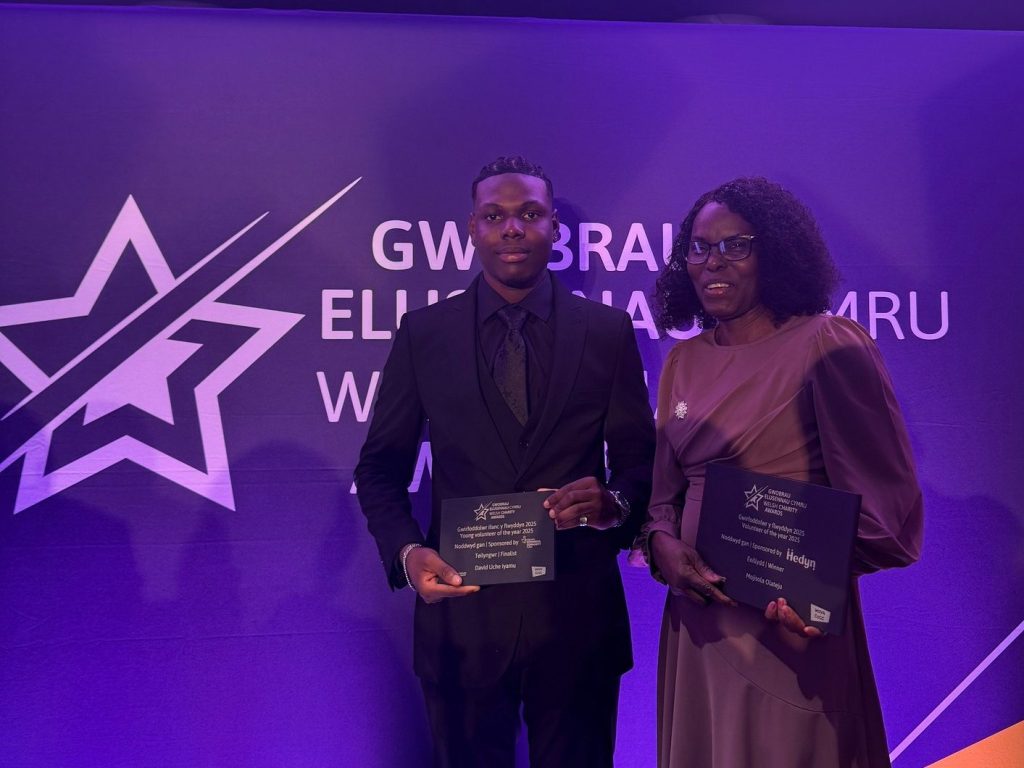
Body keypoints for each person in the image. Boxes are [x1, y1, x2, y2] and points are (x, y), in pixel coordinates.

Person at [355, 156, 655, 768]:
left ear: (553, 229)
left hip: (577, 622)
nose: (512, 228)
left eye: (529, 214)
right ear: (472, 229)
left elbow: (639, 463)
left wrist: (613, 505)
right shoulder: (423, 334)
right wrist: (409, 556)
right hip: (462, 627)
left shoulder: (608, 332)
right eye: (495, 215)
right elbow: (379, 469)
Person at [642, 177, 923, 767]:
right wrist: (662, 543)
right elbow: (660, 497)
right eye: (698, 247)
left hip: (789, 633)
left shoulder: (829, 344)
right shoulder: (682, 362)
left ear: (774, 252)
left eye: (735, 246)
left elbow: (886, 516)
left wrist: (811, 586)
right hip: (697, 630)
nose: (712, 262)